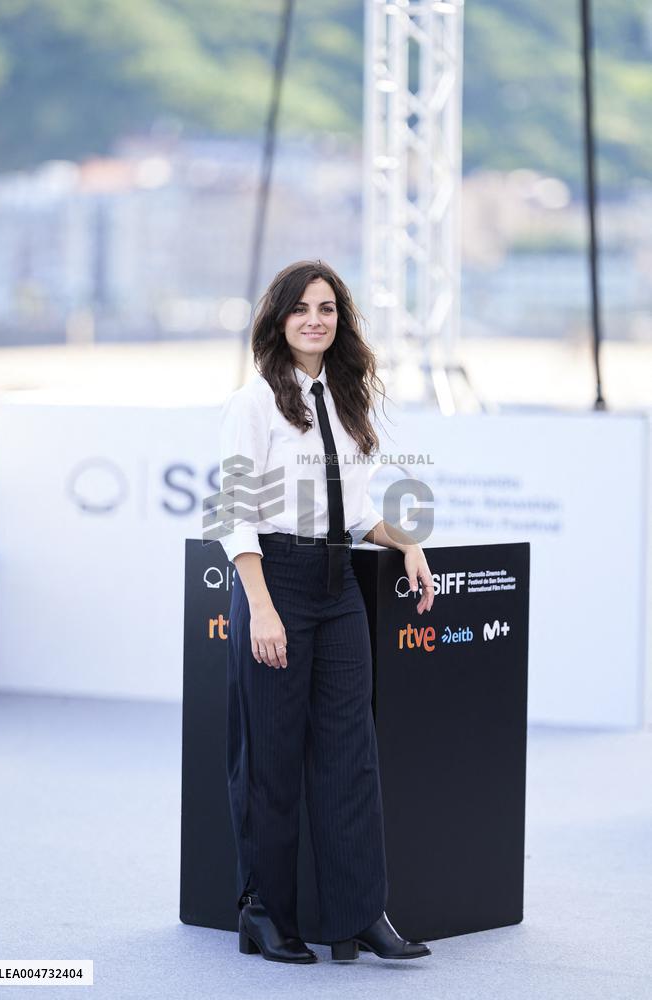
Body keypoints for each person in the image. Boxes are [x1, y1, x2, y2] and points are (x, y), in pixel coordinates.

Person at [217, 260, 435, 964]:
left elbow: (360, 509)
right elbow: (233, 511)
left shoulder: (344, 398)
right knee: (273, 759)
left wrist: (406, 543)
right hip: (273, 579)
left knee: (351, 755)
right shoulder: (254, 402)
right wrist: (261, 609)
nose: (316, 318)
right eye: (302, 308)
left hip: (338, 583)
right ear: (278, 319)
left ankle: (360, 913)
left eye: (329, 307)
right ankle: (264, 912)